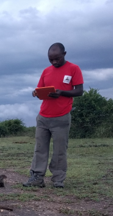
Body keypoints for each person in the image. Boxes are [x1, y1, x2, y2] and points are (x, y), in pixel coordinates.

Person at [23, 42, 83, 188]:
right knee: (40, 148)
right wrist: (35, 92)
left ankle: (58, 180)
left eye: (57, 58)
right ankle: (37, 177)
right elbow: (40, 89)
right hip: (43, 116)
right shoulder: (46, 71)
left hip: (61, 117)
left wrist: (62, 92)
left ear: (64, 54)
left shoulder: (73, 68)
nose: (54, 62)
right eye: (51, 59)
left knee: (59, 150)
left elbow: (79, 91)